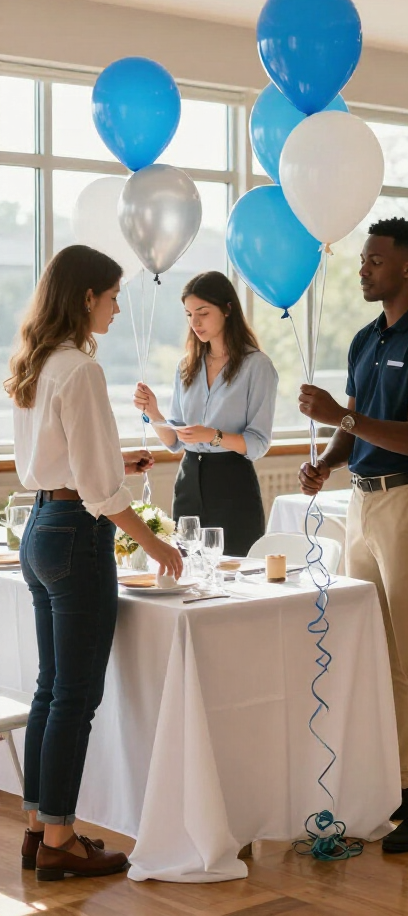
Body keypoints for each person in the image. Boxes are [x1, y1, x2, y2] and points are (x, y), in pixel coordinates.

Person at [6, 245, 183, 881]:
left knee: (52, 688)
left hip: (39, 528)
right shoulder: (80, 370)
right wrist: (156, 543)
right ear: (86, 297)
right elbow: (101, 494)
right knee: (74, 696)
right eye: (111, 297)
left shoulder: (35, 362)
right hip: (76, 536)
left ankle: (40, 829)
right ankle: (60, 839)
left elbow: (63, 461)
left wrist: (116, 463)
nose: (116, 309)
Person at [295, 217, 408, 854]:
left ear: (407, 268)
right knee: (384, 658)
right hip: (361, 503)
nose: (363, 268)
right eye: (363, 259)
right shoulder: (366, 339)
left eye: (374, 260)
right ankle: (397, 789)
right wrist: (326, 461)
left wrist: (339, 417)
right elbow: (358, 425)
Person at [133, 271, 278, 557]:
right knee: (189, 569)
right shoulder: (186, 366)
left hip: (233, 483)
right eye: (189, 315)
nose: (195, 323)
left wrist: (213, 436)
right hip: (188, 481)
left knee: (235, 571)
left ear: (227, 309)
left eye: (203, 313)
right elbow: (175, 442)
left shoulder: (257, 366)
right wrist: (153, 412)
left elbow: (258, 443)